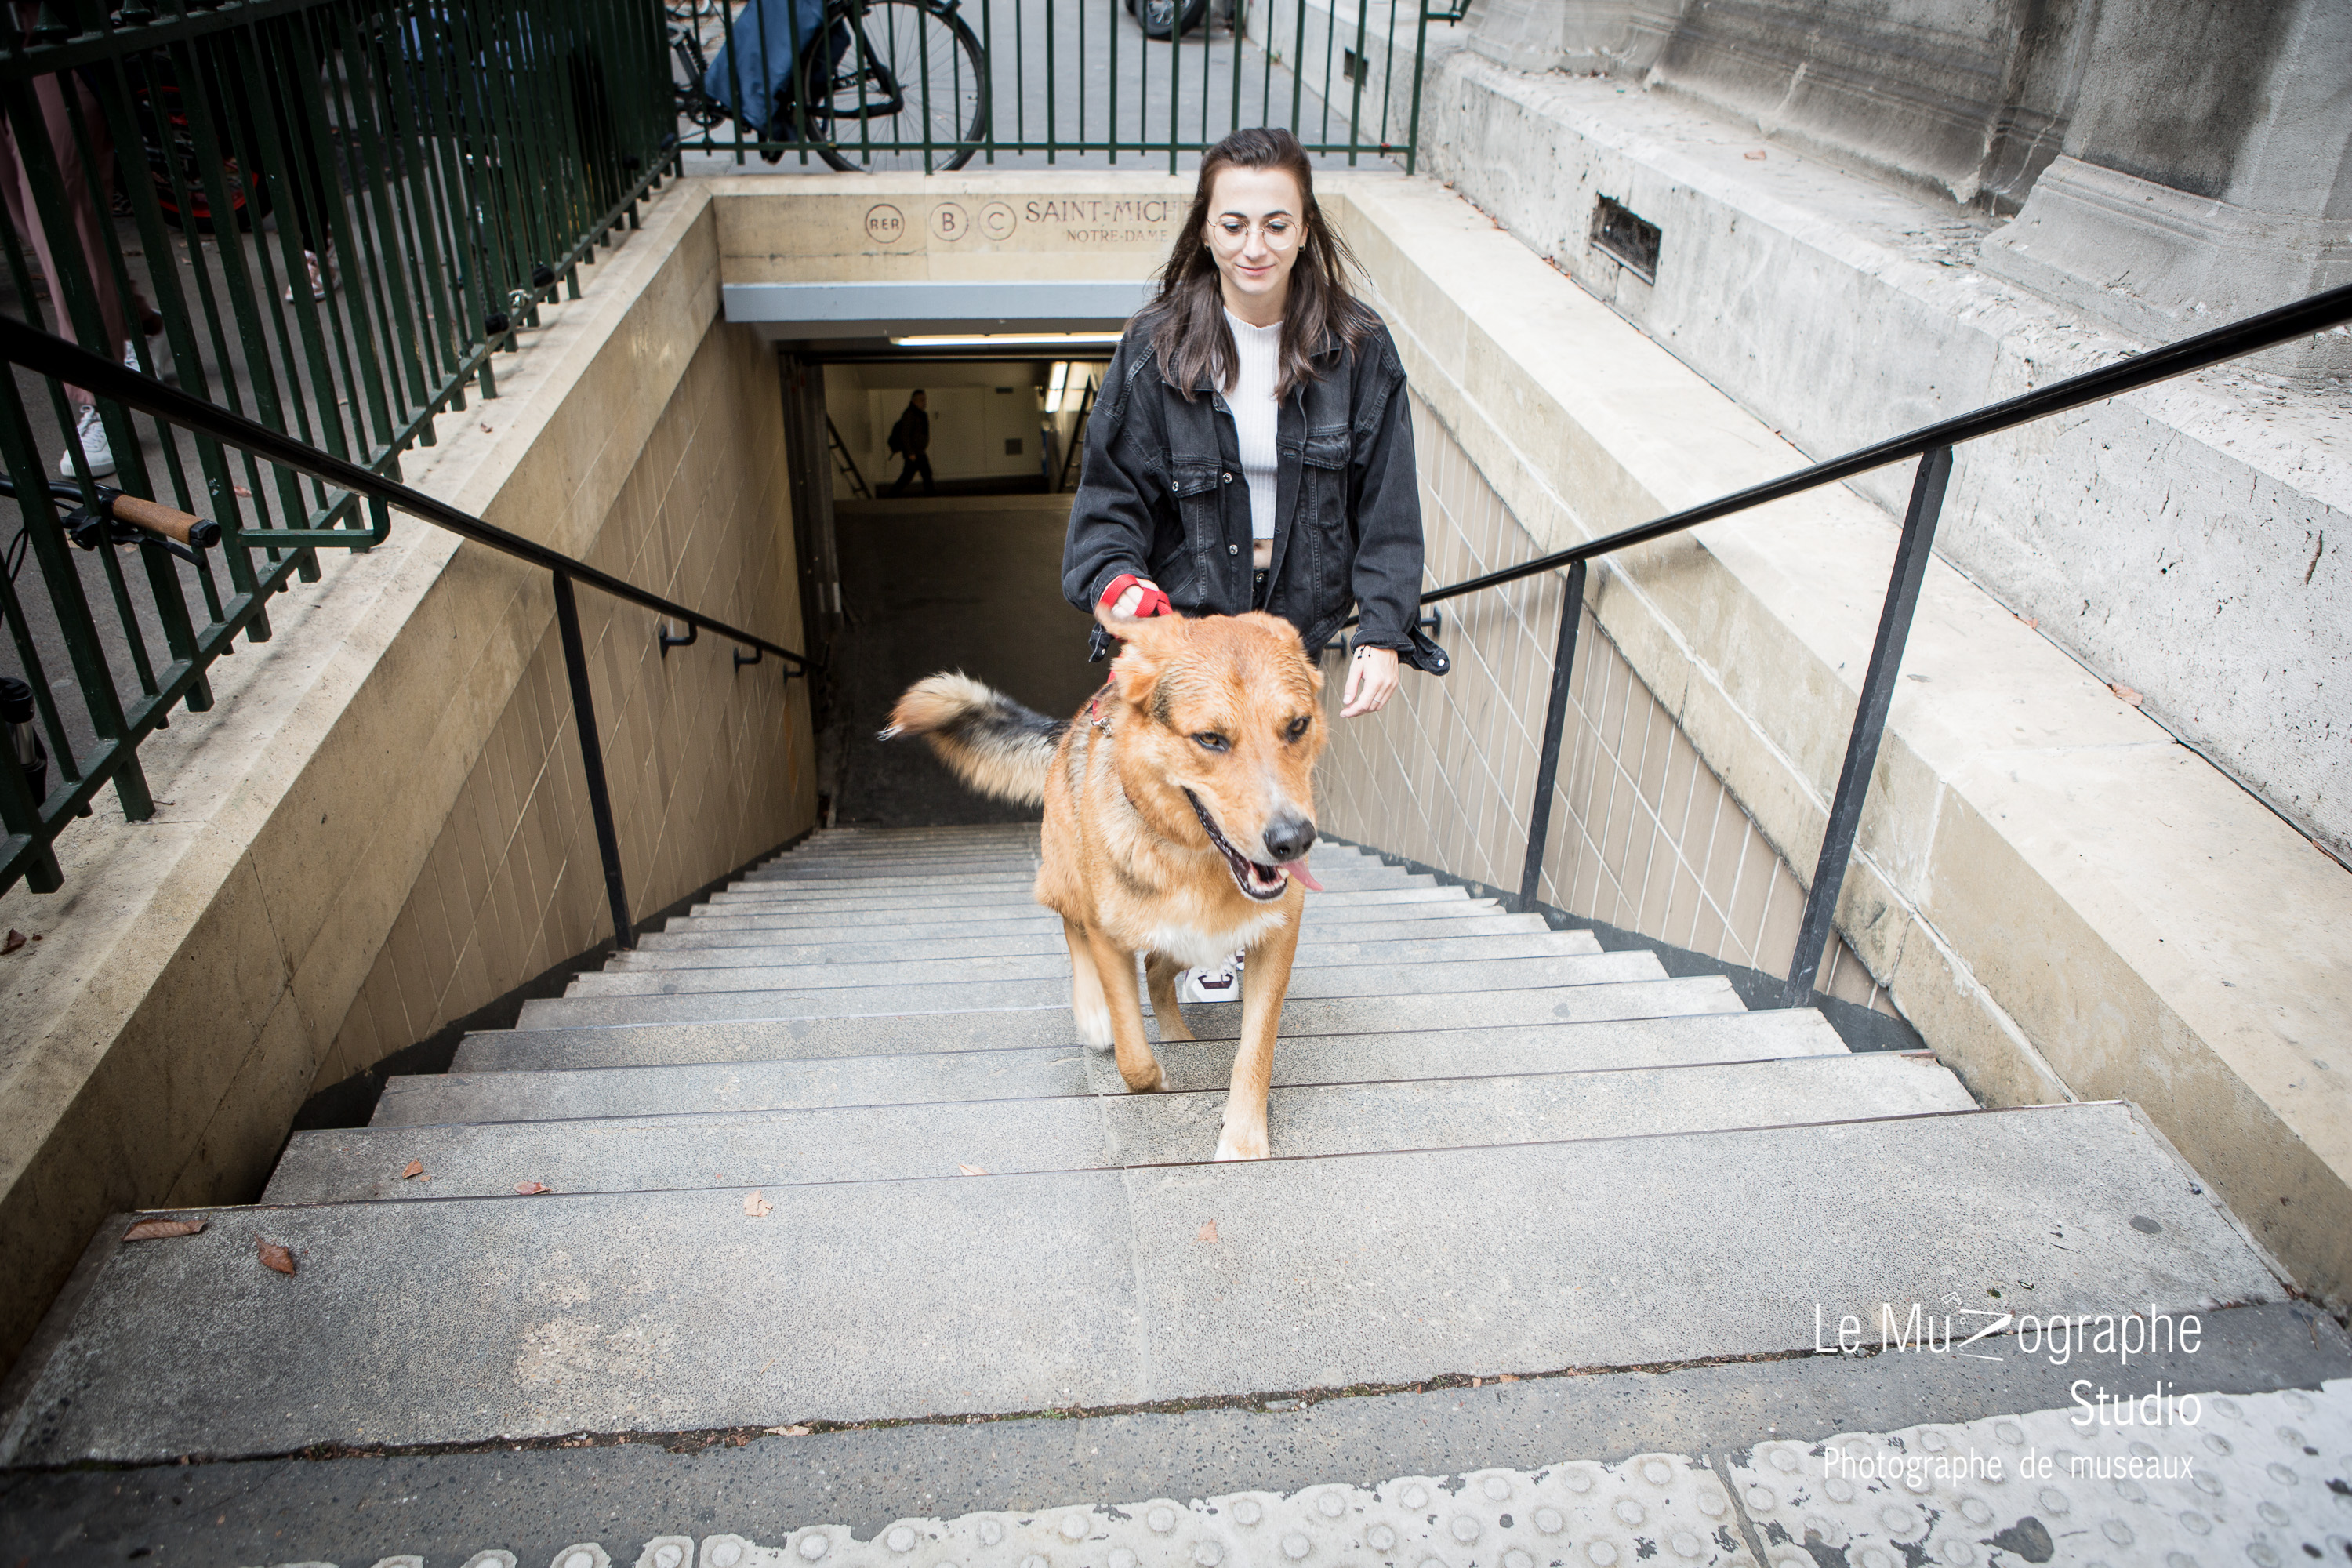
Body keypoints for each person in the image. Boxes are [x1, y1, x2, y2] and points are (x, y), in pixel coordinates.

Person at [1059, 125, 1446, 996]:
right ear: (1205, 228)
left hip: (1293, 620)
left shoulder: (1360, 349)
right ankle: (1187, 932)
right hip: (1188, 621)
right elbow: (1108, 509)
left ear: (1306, 228)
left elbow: (1388, 510)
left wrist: (1384, 631)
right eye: (1234, 224)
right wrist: (1128, 592)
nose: (1254, 246)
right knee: (1194, 777)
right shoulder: (1154, 349)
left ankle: (1236, 925)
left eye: (1277, 223)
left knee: (1270, 782)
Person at [887, 389, 935, 495]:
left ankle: (891, 496)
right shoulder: (910, 415)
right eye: (921, 400)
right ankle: (891, 496)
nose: (924, 402)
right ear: (914, 401)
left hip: (917, 451)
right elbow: (904, 435)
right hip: (914, 452)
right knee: (921, 475)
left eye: (924, 400)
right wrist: (910, 452)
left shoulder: (919, 414)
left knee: (911, 475)